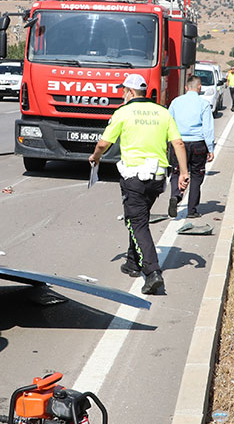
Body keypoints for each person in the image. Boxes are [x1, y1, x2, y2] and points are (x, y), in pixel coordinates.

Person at [88, 73, 189, 295]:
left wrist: (95, 157)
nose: (122, 94)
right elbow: (178, 143)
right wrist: (183, 172)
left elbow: (104, 143)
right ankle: (132, 263)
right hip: (157, 179)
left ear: (131, 93)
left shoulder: (123, 113)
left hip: (134, 177)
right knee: (139, 217)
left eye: (123, 90)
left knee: (137, 223)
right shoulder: (163, 112)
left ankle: (153, 273)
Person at [166, 73, 215, 219]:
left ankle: (176, 195)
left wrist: (167, 143)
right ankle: (192, 210)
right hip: (198, 144)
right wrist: (210, 148)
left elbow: (169, 123)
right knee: (196, 176)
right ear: (199, 87)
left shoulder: (176, 102)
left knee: (177, 172)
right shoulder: (204, 104)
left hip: (178, 142)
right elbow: (208, 129)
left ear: (186, 87)